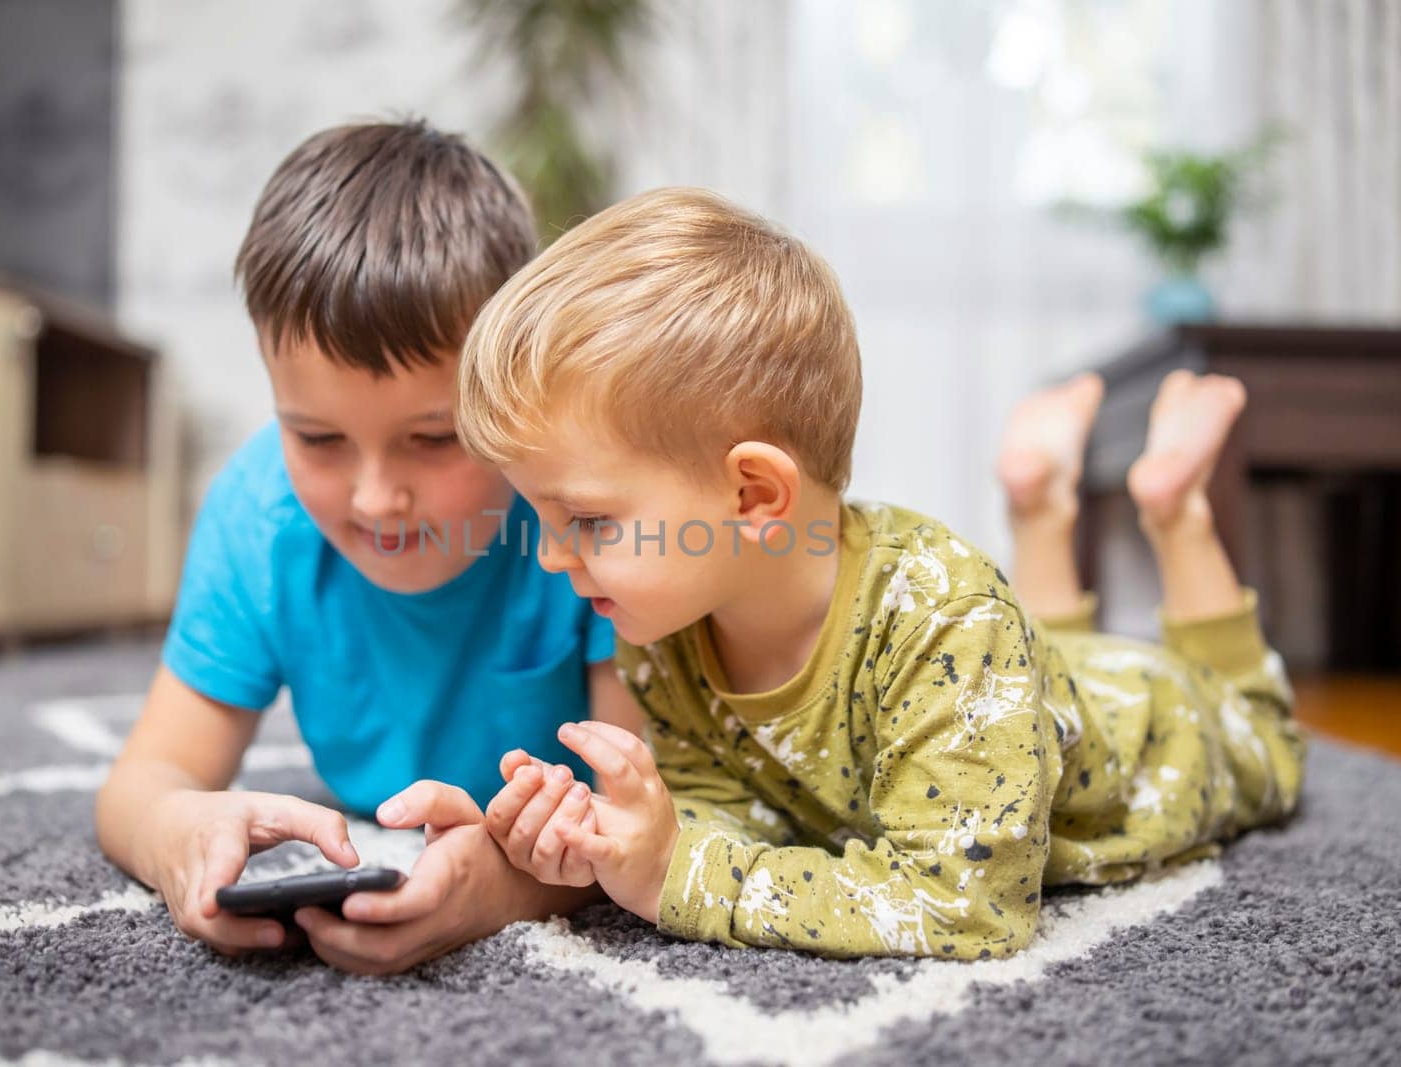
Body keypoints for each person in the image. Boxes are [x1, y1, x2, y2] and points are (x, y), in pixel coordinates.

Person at [462, 187, 1306, 959]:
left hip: (1155, 727)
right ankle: (1041, 505)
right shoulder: (662, 623)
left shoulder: (949, 618)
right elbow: (737, 809)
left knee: (1268, 740)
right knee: (1040, 658)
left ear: (754, 493)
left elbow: (967, 907)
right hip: (1019, 689)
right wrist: (636, 832)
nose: (548, 553)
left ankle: (1172, 506)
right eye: (542, 516)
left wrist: (677, 877)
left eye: (590, 519)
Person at [94, 121, 637, 974]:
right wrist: (179, 832)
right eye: (317, 437)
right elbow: (145, 777)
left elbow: (656, 812)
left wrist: (507, 885)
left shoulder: (586, 520)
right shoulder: (257, 514)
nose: (376, 497)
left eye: (433, 438)